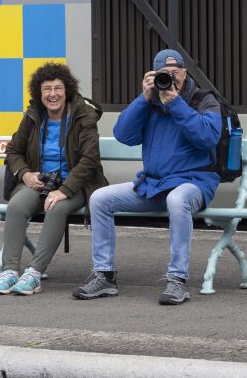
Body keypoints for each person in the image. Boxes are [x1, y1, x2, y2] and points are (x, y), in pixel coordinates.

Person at [72, 49, 221, 305]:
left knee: (177, 199)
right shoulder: (150, 103)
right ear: (153, 76)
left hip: (194, 184)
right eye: (164, 75)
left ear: (185, 73)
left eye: (175, 73)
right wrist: (144, 98)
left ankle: (177, 280)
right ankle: (104, 276)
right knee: (99, 198)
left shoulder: (203, 100)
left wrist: (176, 103)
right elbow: (123, 135)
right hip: (153, 184)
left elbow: (208, 137)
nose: (171, 79)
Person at [0, 62, 108, 295]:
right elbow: (14, 151)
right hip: (41, 182)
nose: (52, 94)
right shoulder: (34, 114)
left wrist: (63, 190)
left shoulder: (83, 114)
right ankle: (10, 271)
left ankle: (34, 273)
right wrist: (26, 174)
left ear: (67, 91)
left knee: (55, 208)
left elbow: (90, 160)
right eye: (47, 89)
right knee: (16, 206)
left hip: (76, 185)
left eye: (58, 88)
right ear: (39, 93)